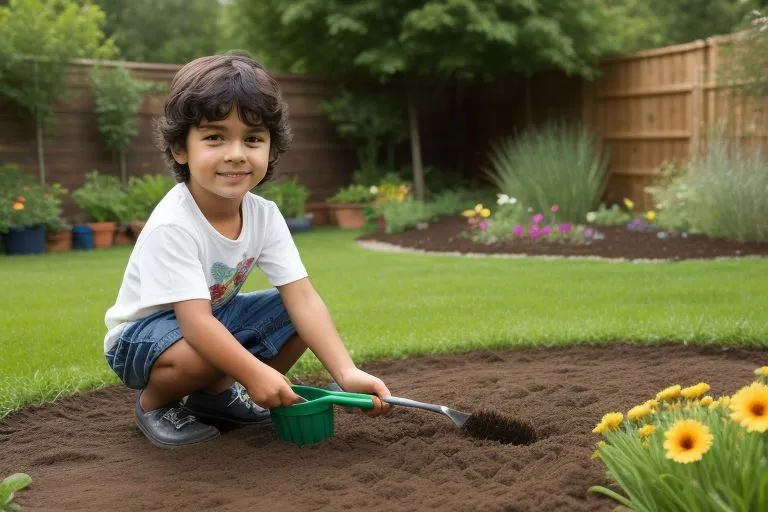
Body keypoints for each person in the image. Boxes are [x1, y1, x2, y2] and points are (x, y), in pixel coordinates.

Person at [103, 53, 391, 448]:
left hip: (208, 321)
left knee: (296, 315)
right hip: (140, 340)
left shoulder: (265, 215)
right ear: (179, 148)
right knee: (206, 348)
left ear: (271, 150)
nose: (236, 152)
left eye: (252, 139)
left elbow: (302, 298)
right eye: (215, 137)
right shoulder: (173, 223)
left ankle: (216, 398)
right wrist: (256, 373)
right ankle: (155, 404)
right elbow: (196, 326)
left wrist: (346, 371)